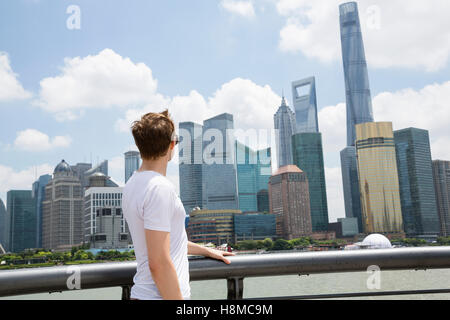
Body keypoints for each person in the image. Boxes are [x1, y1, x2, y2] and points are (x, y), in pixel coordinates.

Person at [122, 110, 234, 300]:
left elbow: (169, 241)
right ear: (172, 144)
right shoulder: (159, 188)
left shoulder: (132, 184)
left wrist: (208, 251)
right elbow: (158, 262)